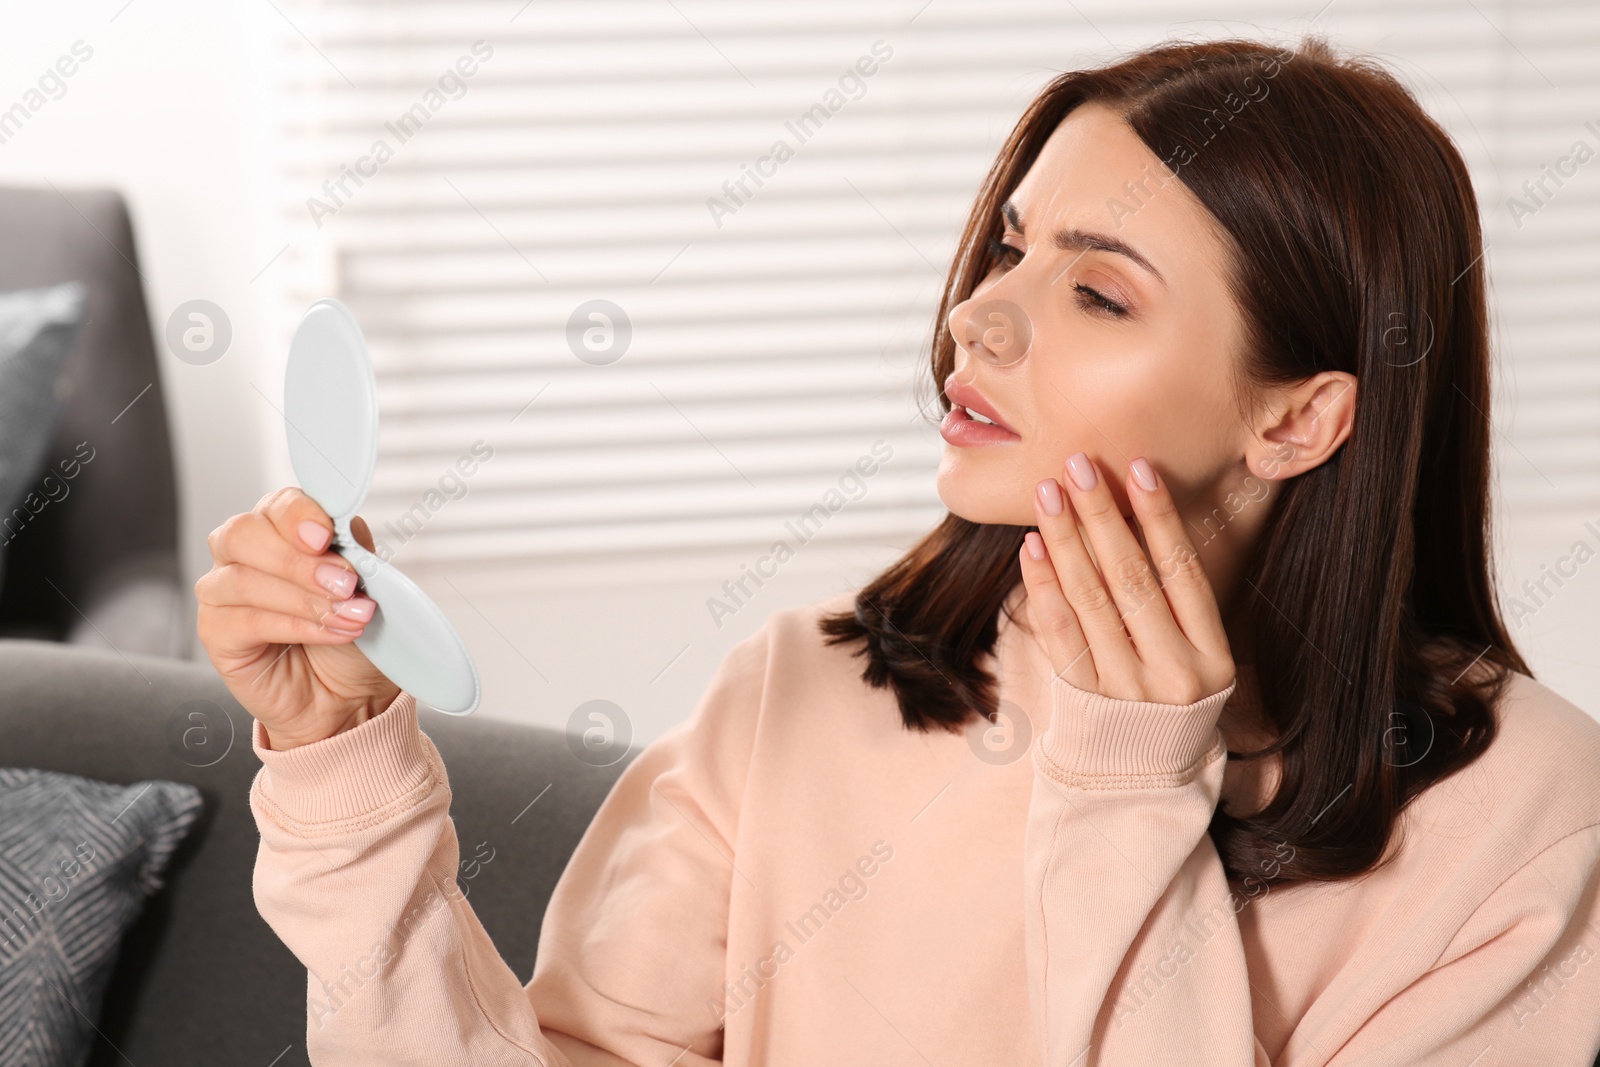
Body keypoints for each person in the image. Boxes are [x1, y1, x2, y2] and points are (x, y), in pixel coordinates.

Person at [195, 34, 1600, 1066]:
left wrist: (1126, 786)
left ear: (1297, 418)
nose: (976, 323)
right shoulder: (802, 692)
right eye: (1008, 249)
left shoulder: (1527, 820)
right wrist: (347, 770)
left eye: (1098, 292)